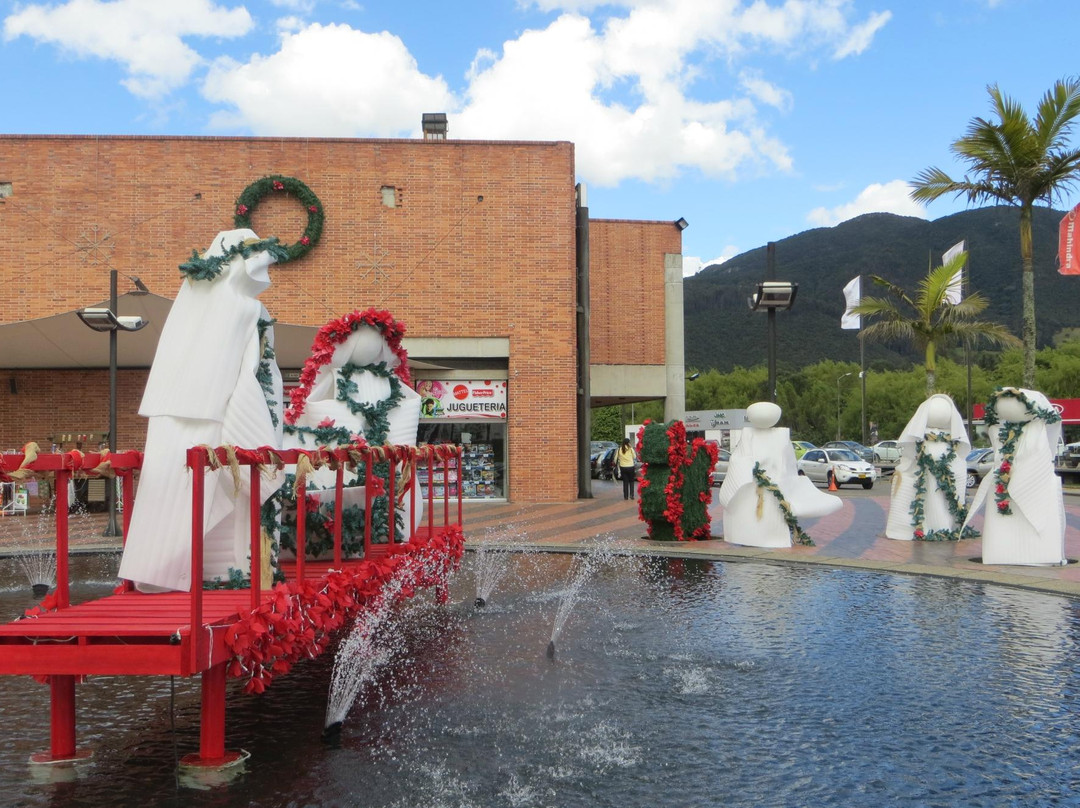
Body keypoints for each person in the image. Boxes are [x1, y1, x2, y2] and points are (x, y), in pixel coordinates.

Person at [118, 229, 287, 592]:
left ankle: (155, 574)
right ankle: (182, 572)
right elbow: (245, 374)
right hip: (213, 408)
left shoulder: (194, 301)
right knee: (208, 484)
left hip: (176, 407)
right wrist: (256, 428)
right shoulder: (244, 307)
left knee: (171, 489)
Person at [964, 387, 1065, 565]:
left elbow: (1037, 454)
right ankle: (1001, 551)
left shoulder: (1036, 429)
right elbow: (999, 454)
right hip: (1003, 482)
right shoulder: (1001, 432)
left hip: (1030, 482)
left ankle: (1039, 553)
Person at [719, 401, 841, 548]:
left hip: (769, 491)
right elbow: (742, 462)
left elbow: (787, 466)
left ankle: (763, 537)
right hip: (759, 491)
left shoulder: (776, 437)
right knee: (756, 517)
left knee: (767, 519)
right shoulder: (751, 436)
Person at [885, 394, 971, 541]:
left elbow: (959, 461)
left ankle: (944, 528)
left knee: (944, 506)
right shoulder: (919, 437)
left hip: (945, 482)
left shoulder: (953, 439)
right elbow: (909, 457)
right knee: (923, 503)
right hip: (923, 479)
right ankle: (920, 527)